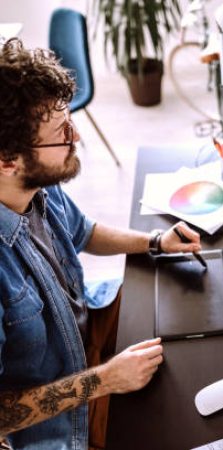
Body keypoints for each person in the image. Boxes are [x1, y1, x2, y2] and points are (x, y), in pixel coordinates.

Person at [0, 38, 202, 450]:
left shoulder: (36, 183)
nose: (75, 138)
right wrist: (106, 379)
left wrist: (155, 242)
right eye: (61, 133)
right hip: (59, 421)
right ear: (8, 160)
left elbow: (84, 231)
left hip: (84, 338)